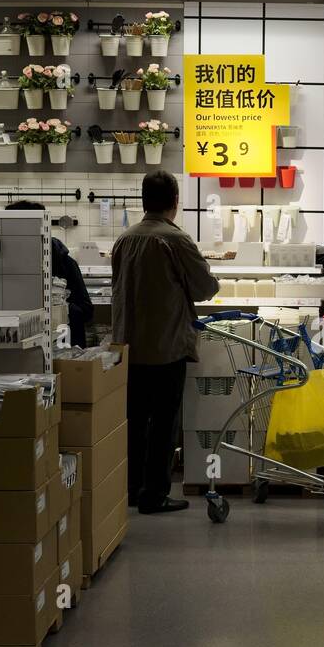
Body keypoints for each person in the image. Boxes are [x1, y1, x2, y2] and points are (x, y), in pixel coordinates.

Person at [112, 171, 219, 514]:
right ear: (175, 202)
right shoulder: (175, 240)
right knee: (163, 423)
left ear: (143, 201)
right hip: (166, 346)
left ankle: (129, 489)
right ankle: (154, 494)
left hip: (128, 347)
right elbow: (205, 289)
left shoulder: (124, 240)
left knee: (134, 420)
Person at [4, 200, 93, 347]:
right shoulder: (6, 265)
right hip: (20, 348)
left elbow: (86, 311)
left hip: (63, 348)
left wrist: (59, 307)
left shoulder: (65, 263)